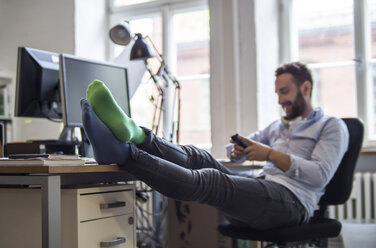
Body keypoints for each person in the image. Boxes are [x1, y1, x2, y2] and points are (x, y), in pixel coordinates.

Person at [81, 62, 349, 231]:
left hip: (292, 204)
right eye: (277, 92)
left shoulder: (332, 126)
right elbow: (242, 145)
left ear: (306, 87)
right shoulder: (279, 127)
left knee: (213, 181)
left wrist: (268, 153)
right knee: (199, 156)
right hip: (263, 191)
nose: (280, 100)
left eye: (285, 92)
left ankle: (125, 154)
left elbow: (320, 175)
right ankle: (138, 135)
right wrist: (238, 150)